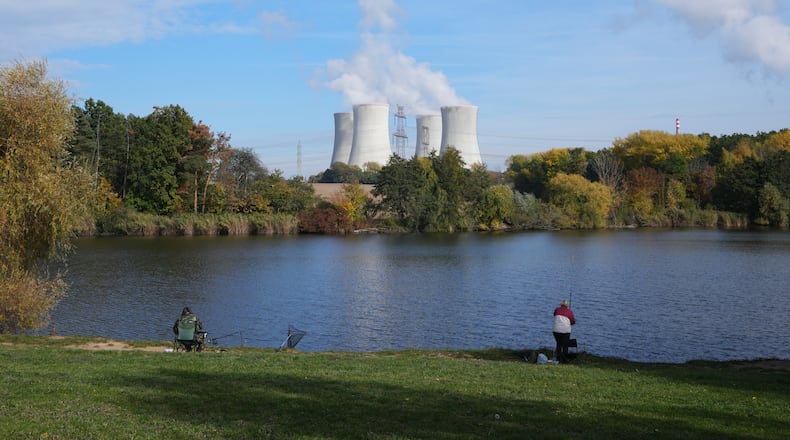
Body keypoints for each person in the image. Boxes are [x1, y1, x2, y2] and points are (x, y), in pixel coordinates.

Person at [552, 299, 576, 363]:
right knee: (565, 345)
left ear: (561, 304)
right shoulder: (570, 312)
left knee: (559, 344)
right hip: (565, 331)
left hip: (555, 331)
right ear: (567, 305)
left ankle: (558, 358)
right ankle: (564, 360)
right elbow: (573, 322)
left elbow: (555, 315)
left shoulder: (557, 309)